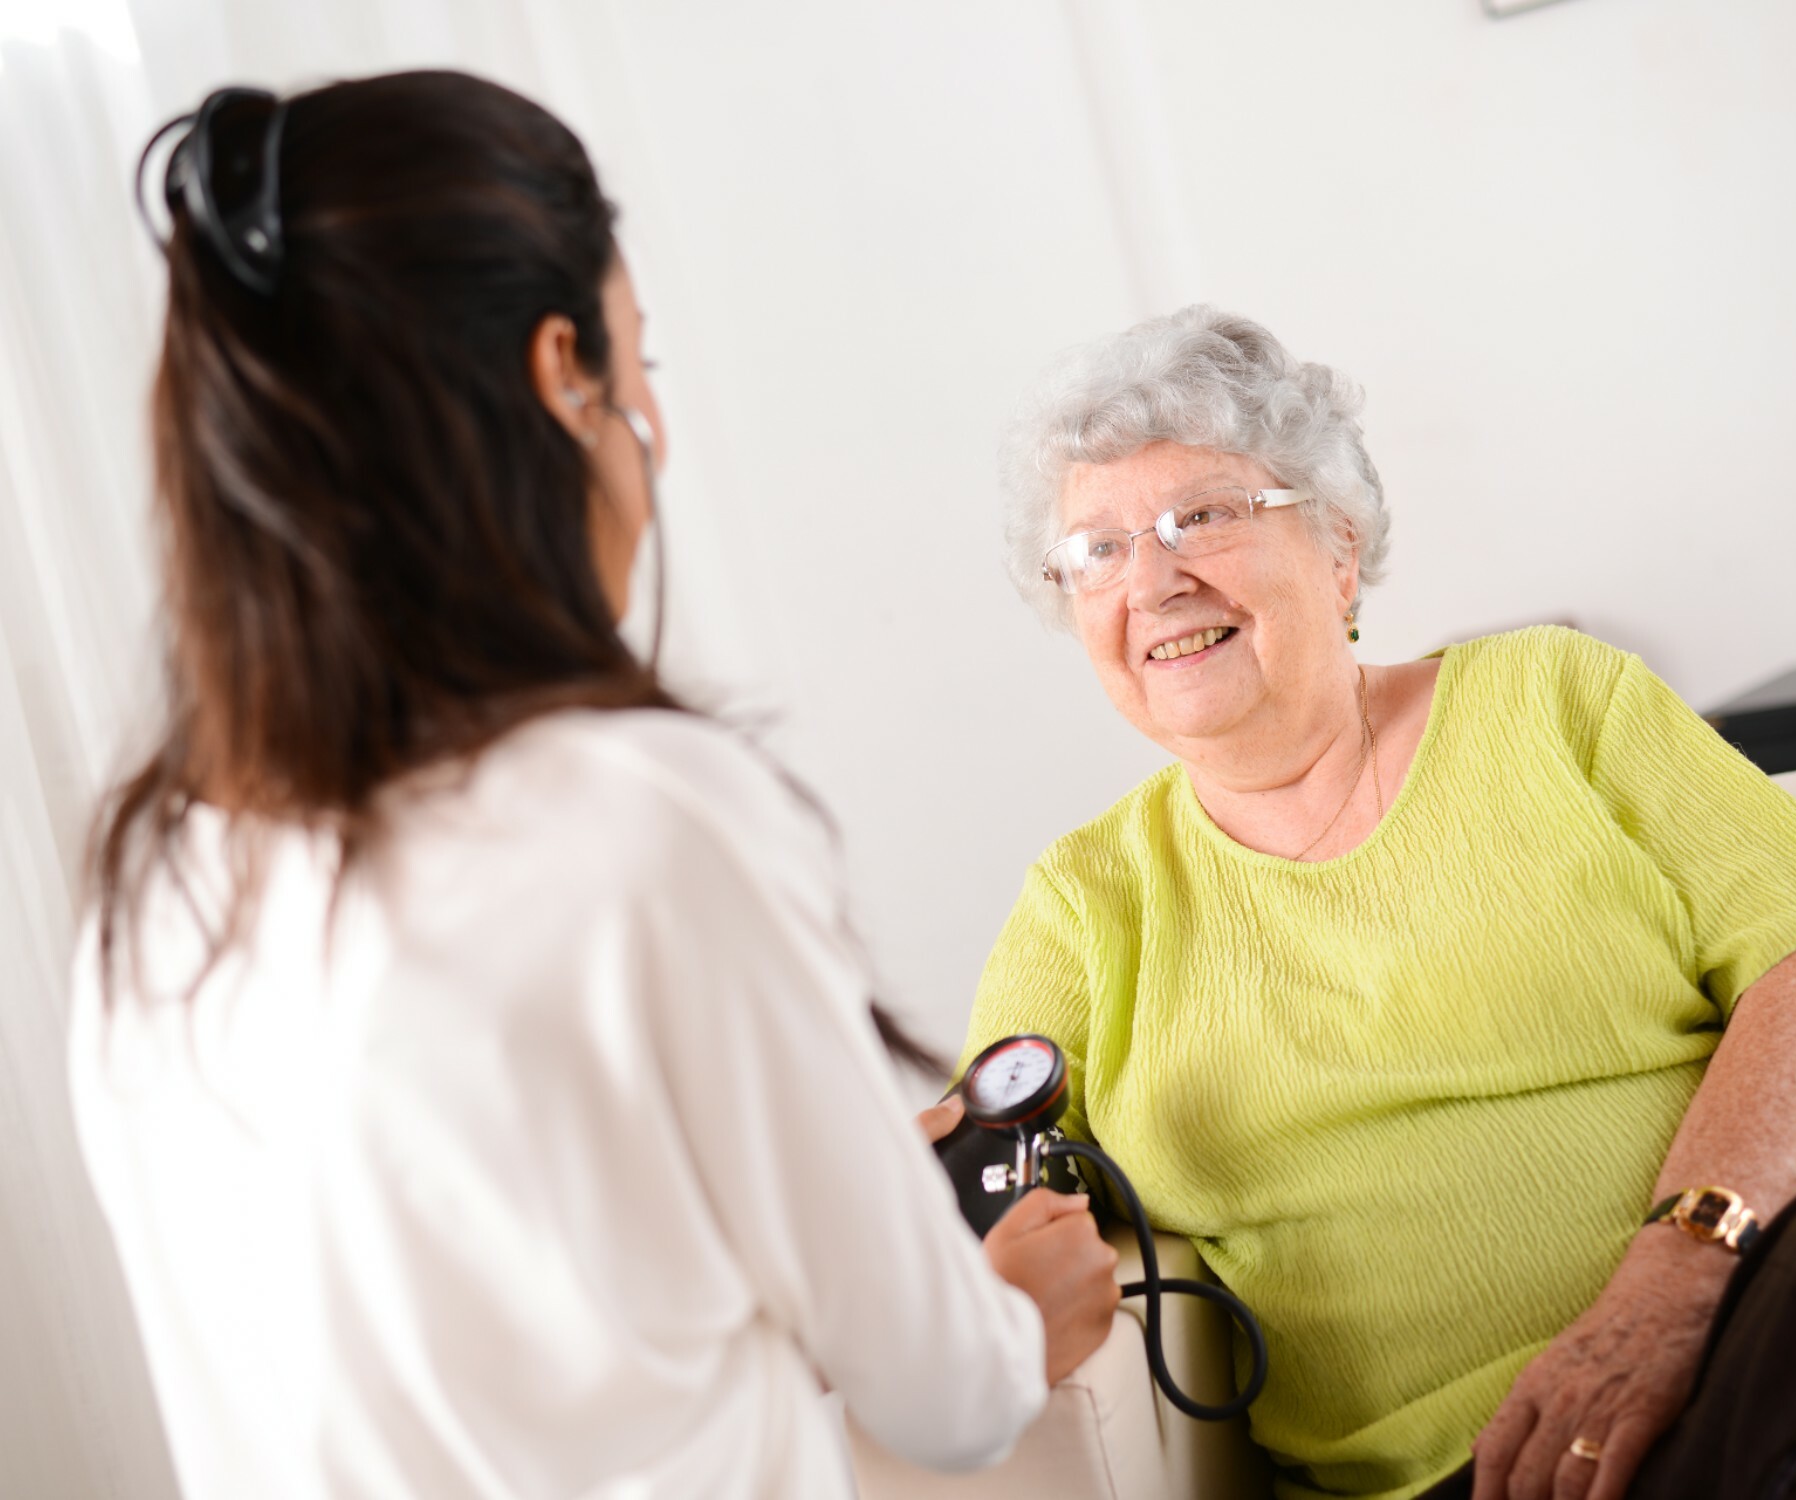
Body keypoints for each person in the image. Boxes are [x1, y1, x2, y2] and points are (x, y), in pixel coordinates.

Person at [72, 70, 1120, 1500]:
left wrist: (841, 1174)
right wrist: (1020, 1316)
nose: (655, 435)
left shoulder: (152, 885)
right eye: (642, 366)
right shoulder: (645, 817)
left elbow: (512, 1333)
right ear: (561, 372)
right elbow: (946, 1399)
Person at [962, 303, 1796, 1499]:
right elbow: (967, 1181)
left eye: (1201, 515)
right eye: (1094, 550)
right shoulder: (1083, 902)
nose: (1150, 578)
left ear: (1338, 548)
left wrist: (1670, 1283)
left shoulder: (1555, 700)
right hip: (1483, 1482)